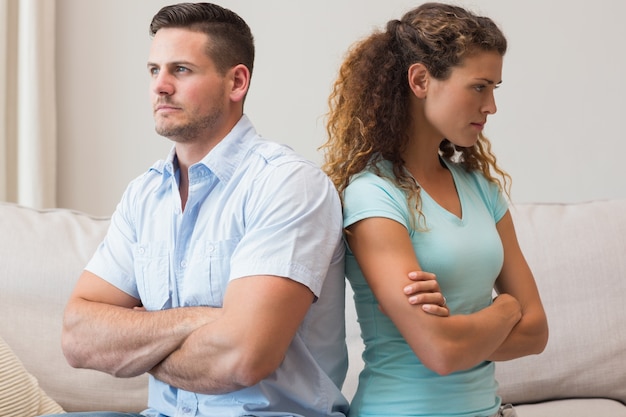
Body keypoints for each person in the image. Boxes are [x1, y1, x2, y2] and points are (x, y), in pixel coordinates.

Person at [42, 3, 362, 416]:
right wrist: (200, 320)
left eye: (181, 70)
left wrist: (133, 347)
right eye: (154, 70)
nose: (160, 86)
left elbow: (243, 357)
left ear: (236, 82)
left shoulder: (286, 184)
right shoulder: (145, 195)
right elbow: (77, 337)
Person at [321, 3, 549, 417]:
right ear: (421, 80)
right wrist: (506, 309)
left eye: (495, 88)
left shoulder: (483, 190)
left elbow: (537, 333)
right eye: (479, 87)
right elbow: (440, 351)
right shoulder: (373, 196)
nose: (492, 106)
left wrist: (460, 333)